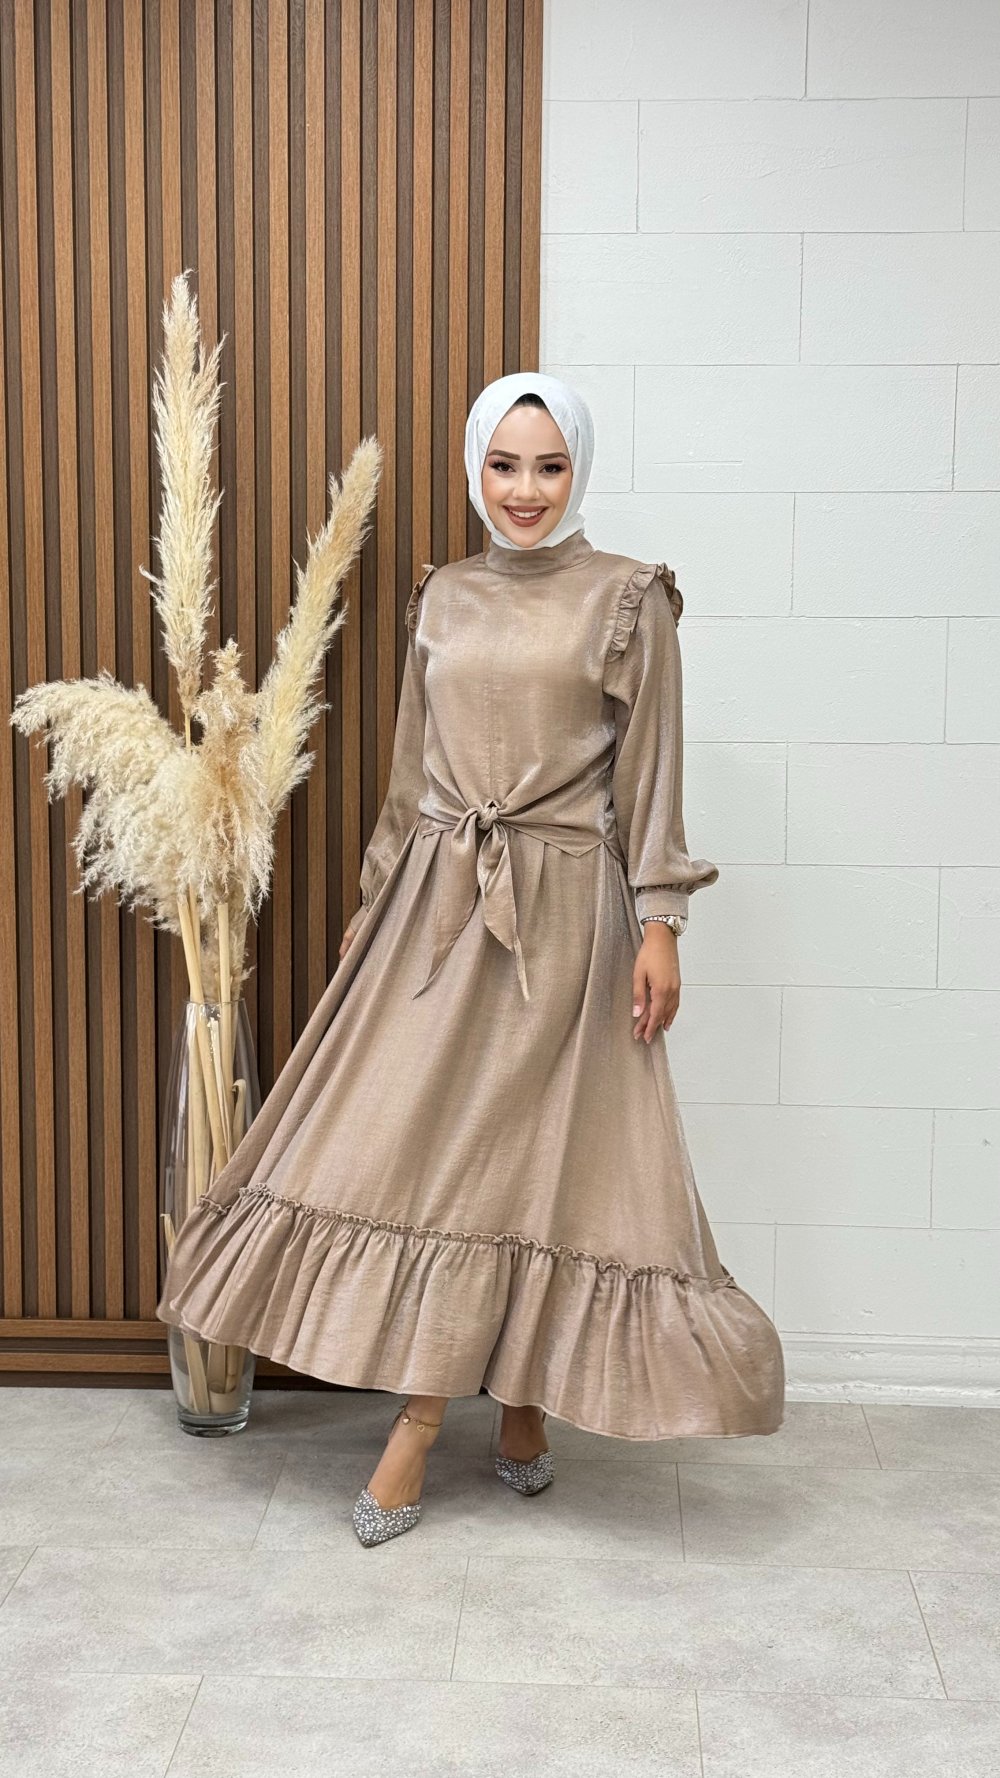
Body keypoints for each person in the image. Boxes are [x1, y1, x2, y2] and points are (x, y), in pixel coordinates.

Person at [156, 370, 786, 1547]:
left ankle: (428, 1420)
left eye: (549, 465)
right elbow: (413, 770)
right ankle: (516, 1410)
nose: (525, 489)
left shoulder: (628, 596)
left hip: (567, 914)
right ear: (474, 468)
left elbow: (649, 773)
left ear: (578, 470)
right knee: (423, 1145)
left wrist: (660, 920)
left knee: (544, 1155)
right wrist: (374, 901)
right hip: (437, 901)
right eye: (504, 464)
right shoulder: (442, 594)